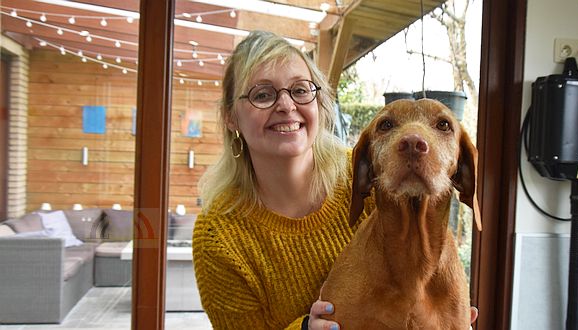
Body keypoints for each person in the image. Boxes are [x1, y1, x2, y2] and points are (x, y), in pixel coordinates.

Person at [193, 30, 477, 330]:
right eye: (262, 94)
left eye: (300, 90)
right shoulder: (219, 236)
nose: (286, 106)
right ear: (231, 117)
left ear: (318, 103)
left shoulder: (370, 176)